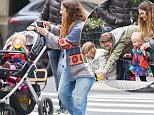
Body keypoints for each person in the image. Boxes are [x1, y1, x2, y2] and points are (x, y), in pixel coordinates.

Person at [36, 0, 95, 115]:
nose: (60, 12)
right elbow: (63, 33)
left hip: (84, 69)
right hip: (70, 67)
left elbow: (64, 43)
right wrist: (51, 27)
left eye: (62, 9)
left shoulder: (79, 28)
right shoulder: (71, 24)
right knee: (62, 94)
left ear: (70, 11)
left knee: (78, 101)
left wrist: (47, 34)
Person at [27, 0, 66, 113]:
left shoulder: (71, 2)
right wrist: (33, 25)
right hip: (52, 42)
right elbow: (42, 16)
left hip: (65, 42)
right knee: (57, 76)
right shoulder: (51, 1)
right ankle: (62, 106)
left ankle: (66, 105)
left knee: (60, 73)